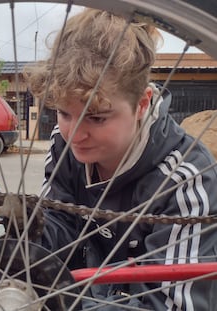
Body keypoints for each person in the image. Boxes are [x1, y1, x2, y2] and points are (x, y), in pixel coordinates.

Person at [24, 8, 217, 310]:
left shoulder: (186, 178)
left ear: (142, 104)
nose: (74, 134)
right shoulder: (64, 144)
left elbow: (172, 305)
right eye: (63, 113)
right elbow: (58, 222)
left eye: (97, 118)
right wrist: (19, 231)